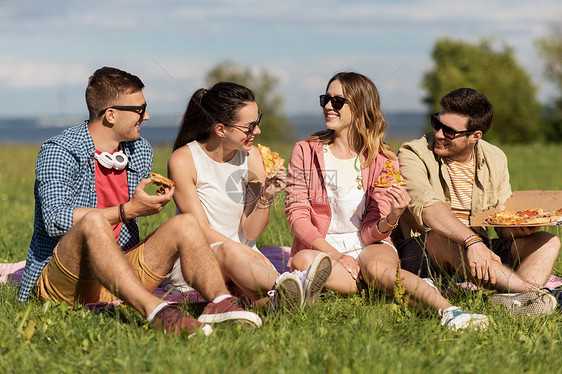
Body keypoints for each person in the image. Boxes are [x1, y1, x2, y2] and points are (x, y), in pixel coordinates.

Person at [19, 67, 262, 337]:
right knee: (93, 223)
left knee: (185, 223)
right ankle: (155, 310)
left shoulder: (139, 150)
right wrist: (127, 211)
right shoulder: (60, 150)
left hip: (120, 269)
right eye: (139, 109)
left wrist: (148, 204)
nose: (145, 116)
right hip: (66, 279)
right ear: (111, 115)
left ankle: (220, 302)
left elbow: (136, 212)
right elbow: (55, 220)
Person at [285, 72, 488, 331]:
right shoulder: (305, 150)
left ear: (359, 108)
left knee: (379, 268)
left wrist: (393, 215)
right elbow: (297, 215)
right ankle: (382, 289)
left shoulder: (383, 159)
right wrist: (336, 255)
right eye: (326, 99)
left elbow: (371, 233)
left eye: (337, 101)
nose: (327, 106)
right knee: (302, 262)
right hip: (322, 246)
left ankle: (451, 311)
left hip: (369, 242)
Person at [164, 82, 332, 311]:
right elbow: (200, 229)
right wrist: (243, 251)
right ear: (221, 129)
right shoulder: (184, 160)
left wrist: (267, 195)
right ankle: (292, 284)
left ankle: (284, 300)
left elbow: (250, 232)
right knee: (231, 252)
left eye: (258, 122)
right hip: (201, 258)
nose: (258, 131)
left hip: (244, 259)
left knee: (260, 299)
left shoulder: (252, 156)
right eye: (250, 126)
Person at [395, 87, 561, 317]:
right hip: (424, 249)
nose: (440, 134)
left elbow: (502, 225)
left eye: (450, 131)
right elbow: (428, 210)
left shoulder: (495, 157)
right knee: (440, 236)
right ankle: (537, 294)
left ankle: (510, 301)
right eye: (437, 123)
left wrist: (518, 229)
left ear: (476, 136)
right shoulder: (412, 153)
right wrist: (472, 241)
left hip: (478, 251)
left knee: (548, 241)